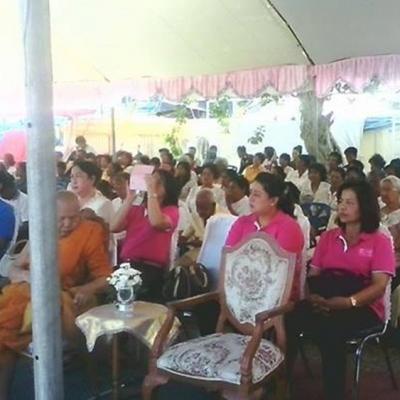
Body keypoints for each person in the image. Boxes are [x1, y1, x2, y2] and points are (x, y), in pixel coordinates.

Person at [0, 191, 111, 398]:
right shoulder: (41, 230)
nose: (67, 224)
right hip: (24, 296)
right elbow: (13, 269)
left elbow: (105, 278)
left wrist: (87, 289)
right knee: (4, 334)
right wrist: (27, 275)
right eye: (61, 219)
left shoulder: (89, 232)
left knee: (5, 331)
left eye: (73, 218)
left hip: (62, 299)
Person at [298, 180, 395, 400]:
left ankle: (334, 393)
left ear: (365, 206)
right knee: (289, 316)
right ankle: (279, 382)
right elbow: (313, 275)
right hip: (326, 298)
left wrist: (347, 303)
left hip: (363, 307)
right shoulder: (329, 238)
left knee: (330, 329)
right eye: (341, 201)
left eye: (350, 203)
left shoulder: (379, 241)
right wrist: (314, 298)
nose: (342, 207)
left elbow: (379, 286)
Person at [226, 173, 304, 301]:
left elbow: (278, 273)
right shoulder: (242, 222)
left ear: (273, 201)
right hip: (241, 290)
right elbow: (230, 259)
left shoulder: (289, 228)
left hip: (277, 297)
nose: (250, 198)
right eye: (250, 193)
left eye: (256, 194)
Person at [111, 170, 179, 303]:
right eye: (151, 180)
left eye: (159, 182)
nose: (153, 183)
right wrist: (129, 198)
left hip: (150, 269)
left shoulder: (171, 211)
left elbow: (156, 222)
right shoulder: (138, 210)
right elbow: (114, 227)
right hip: (126, 266)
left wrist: (152, 192)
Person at [177, 190, 219, 268]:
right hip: (198, 251)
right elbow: (186, 234)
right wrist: (181, 239)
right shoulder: (195, 216)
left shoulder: (222, 217)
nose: (200, 212)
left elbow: (219, 243)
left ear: (213, 206)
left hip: (217, 254)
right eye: (198, 208)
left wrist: (199, 243)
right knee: (179, 265)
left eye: (204, 208)